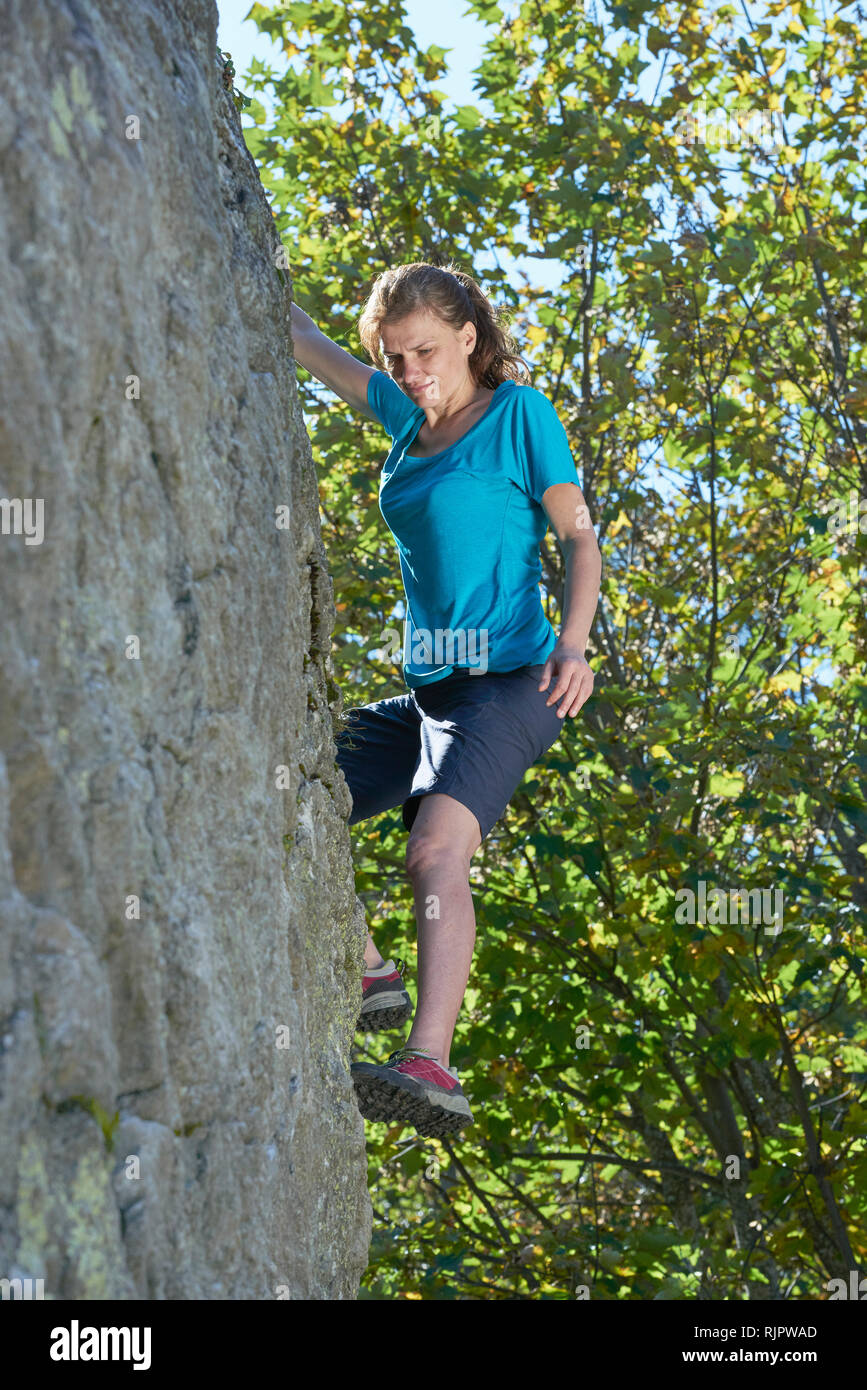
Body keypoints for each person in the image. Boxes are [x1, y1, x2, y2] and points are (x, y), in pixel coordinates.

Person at [289, 261, 601, 1139]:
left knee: (435, 853)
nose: (411, 372)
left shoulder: (517, 417)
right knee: (286, 788)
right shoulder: (401, 414)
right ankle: (368, 970)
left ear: (468, 336)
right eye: (394, 359)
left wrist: (573, 643)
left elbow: (579, 537)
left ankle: (429, 1060)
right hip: (429, 695)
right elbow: (306, 342)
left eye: (425, 350)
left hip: (515, 683)